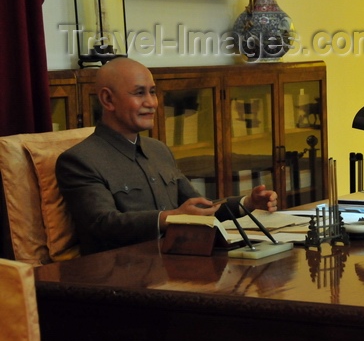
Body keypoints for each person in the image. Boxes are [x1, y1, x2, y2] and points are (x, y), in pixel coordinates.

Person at [56, 57, 277, 254]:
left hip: (178, 264)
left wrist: (247, 203)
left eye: (152, 92)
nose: (152, 103)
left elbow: (199, 210)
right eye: (139, 93)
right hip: (121, 276)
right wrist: (170, 218)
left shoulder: (158, 150)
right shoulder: (79, 160)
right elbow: (103, 224)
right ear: (108, 100)